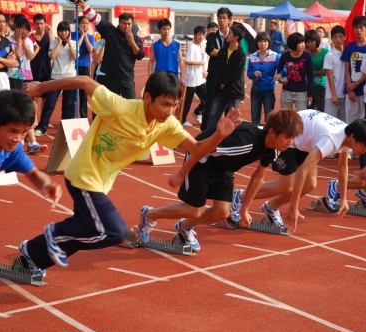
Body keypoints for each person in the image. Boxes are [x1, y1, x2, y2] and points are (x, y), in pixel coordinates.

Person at [21, 72, 242, 270]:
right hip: (84, 175)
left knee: (88, 228)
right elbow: (84, 81)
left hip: (102, 182)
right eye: (165, 104)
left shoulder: (166, 123)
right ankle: (53, 234)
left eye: (174, 105)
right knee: (114, 232)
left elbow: (196, 149)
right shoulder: (120, 107)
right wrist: (41, 88)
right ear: (147, 98)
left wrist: (219, 135)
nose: (170, 111)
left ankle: (33, 255)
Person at [139, 109, 304, 252]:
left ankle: (184, 226)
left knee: (222, 213)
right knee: (194, 209)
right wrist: (182, 172)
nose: (291, 142)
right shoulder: (246, 141)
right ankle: (150, 215)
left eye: (294, 137)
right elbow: (201, 148)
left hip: (224, 168)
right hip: (202, 161)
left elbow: (258, 177)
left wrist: (244, 209)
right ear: (273, 132)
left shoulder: (273, 149)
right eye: (288, 136)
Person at [229, 111, 366, 232]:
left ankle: (271, 207)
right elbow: (302, 171)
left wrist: (344, 199)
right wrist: (293, 208)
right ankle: (241, 197)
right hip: (292, 141)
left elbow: (343, 167)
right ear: (353, 137)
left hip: (308, 142)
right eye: (364, 146)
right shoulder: (331, 139)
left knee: (310, 185)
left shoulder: (349, 135)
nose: (365, 150)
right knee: (286, 186)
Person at [0, 90, 62, 275]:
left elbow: (33, 172)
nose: (18, 138)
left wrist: (46, 184)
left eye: (24, 132)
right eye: (13, 131)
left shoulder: (13, 149)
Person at [76, 0, 144, 99]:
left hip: (127, 79)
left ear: (132, 24)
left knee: (131, 106)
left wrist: (131, 41)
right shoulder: (110, 31)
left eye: (129, 24)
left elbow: (140, 55)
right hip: (110, 79)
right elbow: (96, 19)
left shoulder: (136, 38)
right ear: (119, 23)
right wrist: (84, 5)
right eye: (124, 23)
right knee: (110, 108)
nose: (127, 26)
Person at [7, 16, 47, 154]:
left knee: (27, 108)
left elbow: (30, 57)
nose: (23, 31)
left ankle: (32, 142)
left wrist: (24, 42)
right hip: (13, 76)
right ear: (16, 28)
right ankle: (27, 142)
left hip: (26, 76)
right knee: (17, 109)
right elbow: (17, 55)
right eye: (21, 28)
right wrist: (18, 41)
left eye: (26, 29)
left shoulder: (29, 41)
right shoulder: (9, 41)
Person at [35, 21, 77, 137]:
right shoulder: (53, 42)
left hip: (70, 77)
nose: (63, 33)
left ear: (69, 31)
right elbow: (52, 56)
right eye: (61, 31)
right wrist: (58, 43)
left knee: (68, 105)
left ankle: (66, 129)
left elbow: (74, 57)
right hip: (56, 77)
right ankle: (42, 127)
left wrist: (69, 44)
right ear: (58, 32)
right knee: (50, 103)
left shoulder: (73, 42)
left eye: (65, 30)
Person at [206, 23, 246, 129]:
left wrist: (224, 82)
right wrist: (219, 82)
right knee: (213, 115)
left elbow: (236, 73)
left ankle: (230, 141)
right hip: (220, 90)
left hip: (233, 90)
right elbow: (217, 68)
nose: (227, 35)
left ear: (236, 37)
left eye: (230, 33)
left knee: (232, 118)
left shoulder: (241, 54)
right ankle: (208, 138)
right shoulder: (223, 51)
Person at [203, 7, 232, 131]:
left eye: (224, 18)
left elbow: (237, 53)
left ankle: (225, 137)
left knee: (228, 109)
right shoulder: (212, 36)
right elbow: (210, 51)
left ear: (230, 20)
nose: (221, 20)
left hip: (228, 78)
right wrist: (227, 52)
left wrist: (219, 52)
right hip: (213, 76)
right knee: (209, 106)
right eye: (219, 17)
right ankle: (205, 133)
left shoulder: (234, 35)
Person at [341, 16, 366, 124]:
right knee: (350, 121)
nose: (358, 30)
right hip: (351, 91)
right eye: (356, 27)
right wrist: (350, 89)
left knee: (365, 120)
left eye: (361, 27)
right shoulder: (349, 47)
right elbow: (347, 69)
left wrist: (355, 85)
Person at [274, 32, 313, 112]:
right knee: (286, 116)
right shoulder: (285, 55)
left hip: (301, 92)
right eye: (300, 43)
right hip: (286, 91)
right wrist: (281, 79)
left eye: (303, 42)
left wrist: (310, 94)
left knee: (301, 116)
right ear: (293, 44)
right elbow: (279, 68)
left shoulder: (307, 55)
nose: (303, 45)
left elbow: (310, 75)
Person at [247, 31, 280, 124]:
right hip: (255, 90)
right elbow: (249, 73)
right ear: (257, 43)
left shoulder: (275, 56)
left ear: (269, 42)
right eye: (260, 41)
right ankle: (255, 137)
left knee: (269, 119)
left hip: (269, 90)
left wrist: (279, 75)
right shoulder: (252, 57)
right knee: (255, 119)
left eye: (265, 41)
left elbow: (283, 69)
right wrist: (253, 74)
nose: (263, 44)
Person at [182, 26, 207, 127]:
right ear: (195, 35)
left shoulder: (198, 46)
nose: (201, 36)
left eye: (203, 34)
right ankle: (182, 120)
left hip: (199, 79)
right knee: (187, 101)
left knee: (207, 98)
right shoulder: (192, 47)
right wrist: (200, 63)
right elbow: (187, 61)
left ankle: (198, 112)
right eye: (199, 34)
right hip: (192, 79)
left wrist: (203, 68)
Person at [148, 19, 184, 87]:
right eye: (164, 29)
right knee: (159, 97)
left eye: (168, 29)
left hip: (173, 77)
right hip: (159, 76)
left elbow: (181, 61)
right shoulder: (154, 45)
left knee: (174, 97)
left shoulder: (177, 44)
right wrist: (150, 77)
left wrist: (181, 77)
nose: (166, 31)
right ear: (159, 29)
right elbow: (151, 61)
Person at [30, 14, 55, 111]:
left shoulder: (49, 36)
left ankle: (43, 121)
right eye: (37, 23)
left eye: (41, 23)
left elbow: (53, 45)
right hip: (33, 70)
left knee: (45, 98)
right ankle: (34, 120)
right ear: (34, 24)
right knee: (33, 97)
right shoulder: (30, 37)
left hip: (47, 70)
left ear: (45, 24)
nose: (39, 26)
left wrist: (49, 33)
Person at [71, 16, 94, 119]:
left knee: (83, 95)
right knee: (72, 94)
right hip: (74, 66)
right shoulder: (72, 35)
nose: (85, 25)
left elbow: (90, 50)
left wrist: (85, 36)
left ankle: (83, 117)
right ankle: (71, 117)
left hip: (85, 66)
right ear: (78, 24)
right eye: (82, 23)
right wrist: (81, 36)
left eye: (86, 23)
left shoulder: (90, 37)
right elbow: (75, 47)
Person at [324, 25, 346, 122]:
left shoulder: (348, 53)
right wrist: (333, 95)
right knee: (330, 122)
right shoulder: (329, 55)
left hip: (346, 95)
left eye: (340, 36)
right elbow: (329, 75)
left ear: (344, 37)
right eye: (335, 37)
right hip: (332, 95)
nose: (338, 39)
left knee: (344, 123)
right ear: (331, 38)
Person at [305, 30, 328, 112]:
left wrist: (311, 73)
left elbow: (326, 72)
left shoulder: (326, 52)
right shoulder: (306, 54)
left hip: (321, 87)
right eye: (307, 42)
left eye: (312, 41)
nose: (309, 44)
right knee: (309, 111)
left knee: (321, 111)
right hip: (308, 87)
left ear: (317, 40)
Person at [0, 11, 17, 90]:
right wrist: (7, 61)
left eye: (4, 21)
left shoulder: (6, 42)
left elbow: (15, 63)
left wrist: (0, 59)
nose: (2, 24)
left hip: (4, 78)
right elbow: (10, 63)